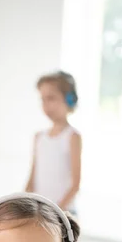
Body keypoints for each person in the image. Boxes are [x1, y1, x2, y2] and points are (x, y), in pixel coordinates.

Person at [26, 71, 81, 215]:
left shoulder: (72, 137)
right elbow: (32, 177)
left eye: (51, 98)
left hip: (63, 213)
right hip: (41, 213)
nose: (45, 105)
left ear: (70, 99)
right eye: (42, 99)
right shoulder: (39, 137)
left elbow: (75, 185)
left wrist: (56, 211)